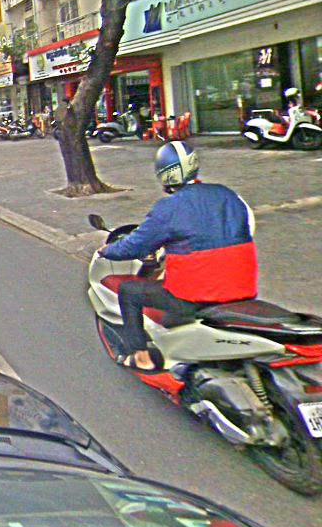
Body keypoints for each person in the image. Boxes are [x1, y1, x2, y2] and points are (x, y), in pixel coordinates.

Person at [98, 141, 258, 372]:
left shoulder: (168, 209)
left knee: (129, 292)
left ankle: (141, 357)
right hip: (244, 291)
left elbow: (133, 247)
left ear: (164, 175)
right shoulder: (228, 195)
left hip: (196, 299)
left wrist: (107, 251)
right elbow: (247, 228)